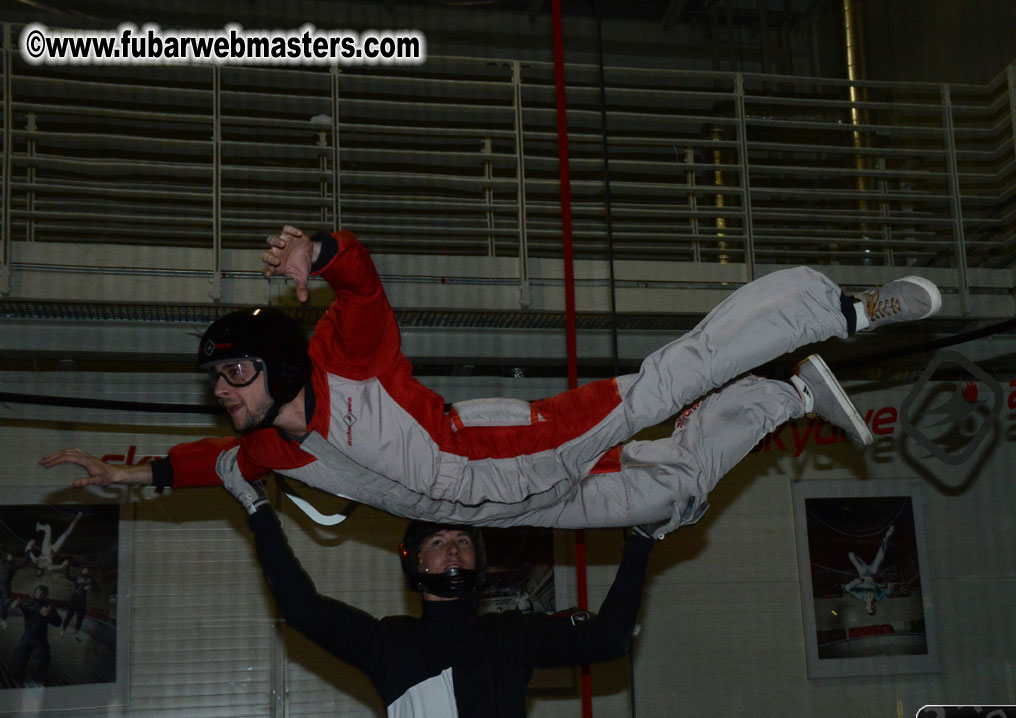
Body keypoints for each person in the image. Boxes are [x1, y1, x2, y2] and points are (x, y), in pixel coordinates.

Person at [42, 226, 941, 536]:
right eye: (217, 382)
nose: (223, 392)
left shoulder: (345, 357)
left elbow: (360, 281)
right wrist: (136, 476)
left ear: (275, 360)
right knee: (670, 495)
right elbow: (204, 464)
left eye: (232, 373)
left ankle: (843, 309)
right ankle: (789, 395)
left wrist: (319, 249)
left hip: (510, 445)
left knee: (671, 379)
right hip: (500, 512)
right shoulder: (271, 447)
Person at [219, 468, 653, 718]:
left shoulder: (513, 635)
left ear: (477, 559)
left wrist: (641, 541)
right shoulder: (391, 644)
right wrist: (259, 511)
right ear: (417, 561)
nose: (452, 549)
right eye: (438, 541)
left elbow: (609, 640)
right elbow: (303, 609)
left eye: (462, 541)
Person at [12, 584, 61, 685]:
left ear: (46, 595)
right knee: (19, 660)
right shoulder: (28, 602)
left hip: (41, 640)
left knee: (43, 660)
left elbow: (58, 622)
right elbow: (22, 605)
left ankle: (37, 681)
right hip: (27, 637)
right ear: (34, 592)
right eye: (38, 592)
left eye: (43, 593)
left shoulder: (49, 606)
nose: (39, 594)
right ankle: (16, 681)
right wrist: (14, 604)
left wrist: (48, 615)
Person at [844, 524, 894, 615]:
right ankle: (887, 536)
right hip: (872, 572)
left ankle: (857, 539)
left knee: (851, 554)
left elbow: (847, 588)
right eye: (872, 608)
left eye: (868, 608)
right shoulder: (878, 598)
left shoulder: (861, 596)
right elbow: (887, 592)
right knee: (881, 555)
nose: (870, 606)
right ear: (875, 607)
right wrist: (890, 586)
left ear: (866, 607)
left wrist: (861, 580)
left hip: (862, 572)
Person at [61, 565, 99, 637]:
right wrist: (67, 567)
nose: (85, 571)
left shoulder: (91, 580)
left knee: (80, 617)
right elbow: (68, 576)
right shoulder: (78, 577)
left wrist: (91, 587)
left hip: (82, 601)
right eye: (84, 570)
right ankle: (63, 629)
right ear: (82, 571)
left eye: (87, 570)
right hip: (74, 600)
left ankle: (76, 630)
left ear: (89, 572)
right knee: (69, 616)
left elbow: (97, 589)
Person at [0, 552, 19, 626]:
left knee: (4, 603)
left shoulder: (13, 566)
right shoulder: (1, 562)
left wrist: (28, 552)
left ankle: (2, 619)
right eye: (10, 556)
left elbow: (24, 562)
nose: (11, 558)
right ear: (7, 556)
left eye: (12, 557)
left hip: (6, 587)